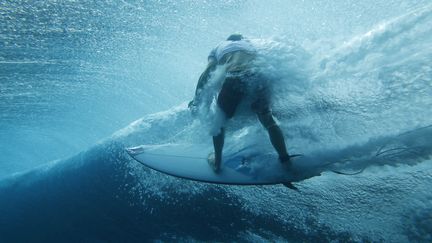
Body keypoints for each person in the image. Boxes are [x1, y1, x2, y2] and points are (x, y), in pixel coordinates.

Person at [189, 34, 291, 173]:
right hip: (261, 75)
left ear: (228, 40)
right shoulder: (250, 46)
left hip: (236, 75)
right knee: (268, 120)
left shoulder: (218, 48)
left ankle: (217, 162)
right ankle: (285, 159)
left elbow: (207, 72)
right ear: (241, 40)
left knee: (219, 123)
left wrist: (197, 99)